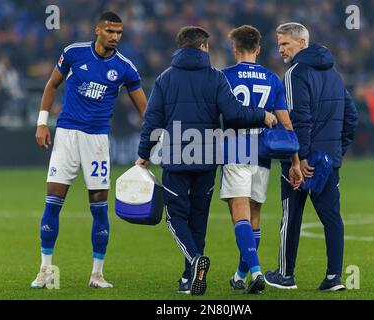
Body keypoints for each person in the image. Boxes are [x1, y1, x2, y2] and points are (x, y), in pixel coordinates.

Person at [135, 26, 277, 296]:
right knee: (199, 218)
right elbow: (234, 114)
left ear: (180, 47)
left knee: (175, 217)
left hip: (177, 157)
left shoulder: (165, 79)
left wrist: (144, 154)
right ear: (202, 47)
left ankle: (193, 263)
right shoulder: (215, 78)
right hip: (208, 157)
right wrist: (262, 115)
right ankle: (189, 277)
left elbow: (152, 121)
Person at [31, 12, 147, 289]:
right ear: (98, 30)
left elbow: (146, 110)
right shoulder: (74, 53)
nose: (115, 37)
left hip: (97, 141)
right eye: (110, 31)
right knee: (52, 203)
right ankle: (45, 270)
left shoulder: (125, 67)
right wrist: (42, 123)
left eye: (119, 33)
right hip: (67, 136)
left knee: (98, 208)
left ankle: (97, 274)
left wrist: (151, 144)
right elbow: (51, 85)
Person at [265, 23, 358, 291]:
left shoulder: (295, 73)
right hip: (327, 162)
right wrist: (336, 152)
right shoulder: (334, 73)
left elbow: (297, 120)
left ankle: (285, 275)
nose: (280, 49)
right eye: (279, 44)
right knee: (332, 218)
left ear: (302, 43)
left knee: (290, 215)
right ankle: (334, 277)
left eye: (285, 44)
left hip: (300, 162)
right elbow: (351, 116)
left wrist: (300, 158)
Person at [219, 25, 302, 294]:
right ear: (258, 49)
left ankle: (255, 272)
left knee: (239, 214)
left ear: (234, 49)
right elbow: (287, 125)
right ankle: (240, 274)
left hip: (235, 148)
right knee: (254, 214)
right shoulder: (272, 79)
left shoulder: (224, 77)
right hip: (263, 152)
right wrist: (296, 160)